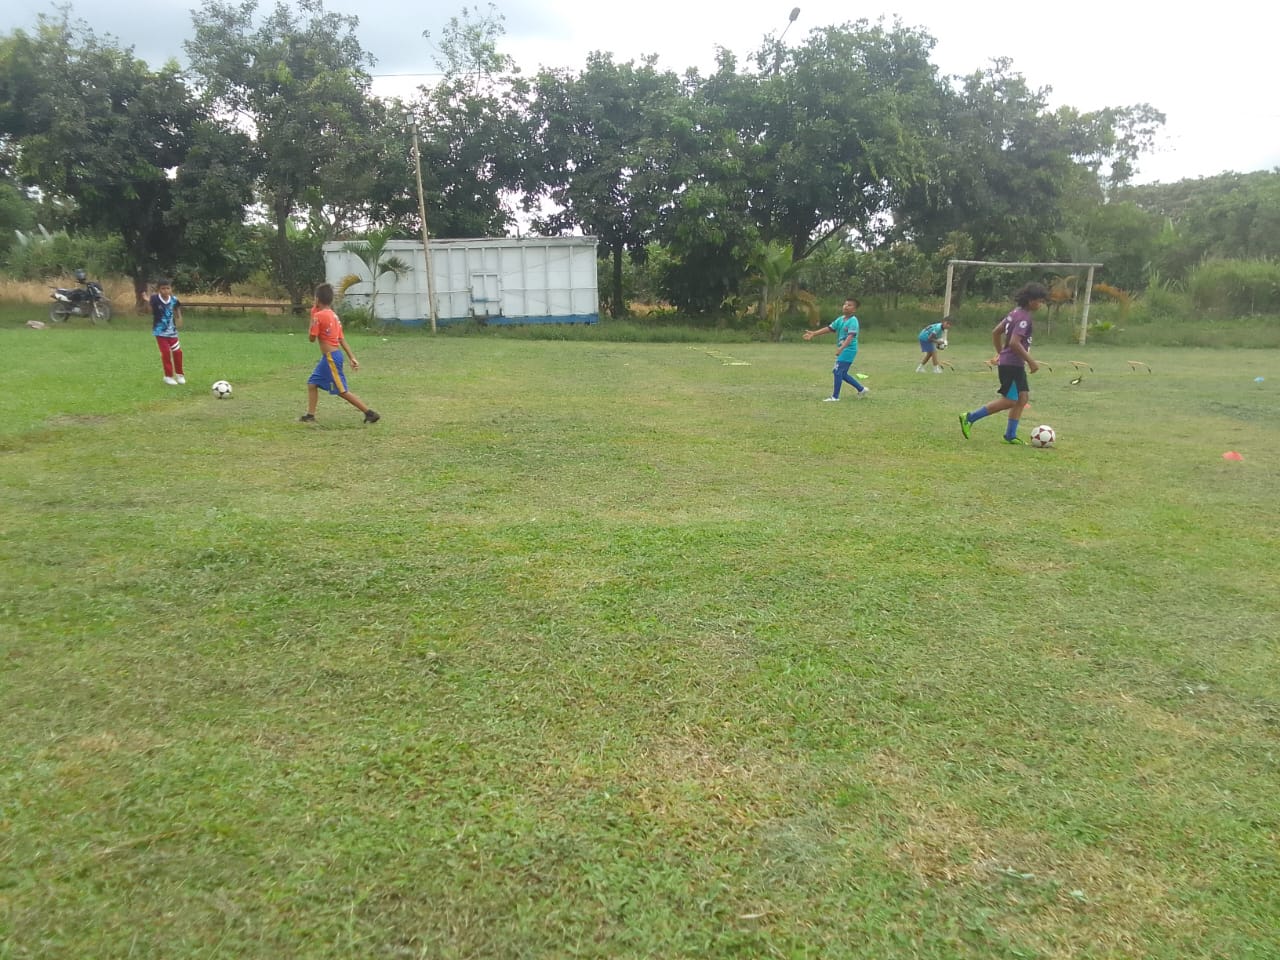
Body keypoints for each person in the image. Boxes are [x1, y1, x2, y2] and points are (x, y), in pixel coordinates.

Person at [958, 283, 1048, 444]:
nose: (1040, 304)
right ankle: (970, 417)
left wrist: (1001, 354)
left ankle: (1010, 435)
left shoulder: (1014, 313)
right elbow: (1014, 342)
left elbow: (996, 332)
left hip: (1011, 362)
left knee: (1022, 398)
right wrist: (1031, 361)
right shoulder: (1024, 318)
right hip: (1013, 364)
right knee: (1010, 400)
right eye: (1039, 301)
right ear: (1031, 301)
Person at [300, 283, 380, 424]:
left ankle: (369, 413)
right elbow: (341, 338)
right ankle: (310, 415)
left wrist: (312, 317)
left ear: (317, 299)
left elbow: (311, 338)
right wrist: (352, 357)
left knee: (341, 390)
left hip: (331, 358)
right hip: (331, 357)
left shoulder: (318, 316)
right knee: (312, 383)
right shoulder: (334, 316)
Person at [803, 297, 869, 401]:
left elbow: (850, 337)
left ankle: (835, 397)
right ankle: (861, 389)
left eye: (849, 305)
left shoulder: (853, 321)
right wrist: (814, 333)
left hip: (849, 349)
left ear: (854, 309)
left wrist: (841, 348)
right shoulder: (840, 319)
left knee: (838, 372)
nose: (846, 306)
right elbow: (829, 328)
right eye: (845, 304)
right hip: (844, 349)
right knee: (841, 373)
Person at [148, 279, 185, 385]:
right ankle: (168, 376)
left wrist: (179, 318)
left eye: (168, 288)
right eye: (163, 288)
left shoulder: (174, 299)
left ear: (171, 289)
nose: (165, 290)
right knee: (166, 353)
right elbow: (149, 309)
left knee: (177, 352)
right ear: (159, 290)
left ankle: (180, 374)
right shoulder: (155, 299)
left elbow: (177, 309)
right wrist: (147, 301)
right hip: (160, 332)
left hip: (172, 332)